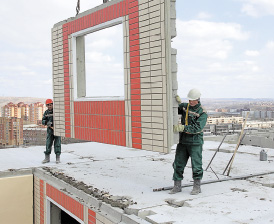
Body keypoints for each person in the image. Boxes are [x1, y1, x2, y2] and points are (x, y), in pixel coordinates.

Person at [170, 88, 208, 195]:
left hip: (195, 142)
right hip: (183, 141)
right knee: (178, 164)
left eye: (192, 100)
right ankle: (177, 186)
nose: (190, 102)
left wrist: (183, 128)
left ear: (197, 99)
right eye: (189, 100)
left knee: (196, 165)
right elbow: (175, 109)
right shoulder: (185, 107)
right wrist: (176, 102)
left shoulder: (202, 112)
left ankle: (197, 187)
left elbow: (197, 128)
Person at [42, 99, 61, 164]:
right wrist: (47, 123)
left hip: (57, 130)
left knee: (57, 144)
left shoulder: (57, 111)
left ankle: (57, 158)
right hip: (50, 131)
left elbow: (61, 118)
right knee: (48, 143)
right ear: (46, 106)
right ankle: (47, 158)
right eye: (48, 105)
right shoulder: (46, 113)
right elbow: (43, 121)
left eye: (50, 105)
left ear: (53, 104)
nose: (49, 106)